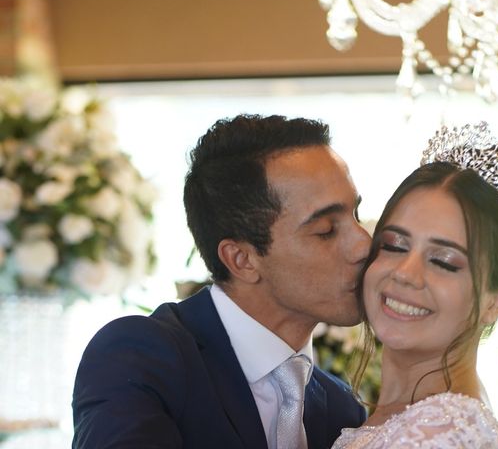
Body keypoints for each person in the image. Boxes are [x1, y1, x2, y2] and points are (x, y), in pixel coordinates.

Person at [72, 114, 372, 449]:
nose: (364, 245)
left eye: (356, 215)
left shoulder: (342, 410)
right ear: (242, 260)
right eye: (326, 231)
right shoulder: (141, 358)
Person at [333, 121, 498, 448]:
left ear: (496, 301)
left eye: (443, 262)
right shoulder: (436, 414)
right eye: (395, 245)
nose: (405, 273)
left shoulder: (442, 431)